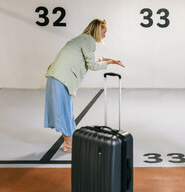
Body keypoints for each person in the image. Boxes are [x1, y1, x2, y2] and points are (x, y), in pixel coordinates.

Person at [44, 19, 125, 152]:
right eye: (104, 32)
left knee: (64, 111)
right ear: (98, 31)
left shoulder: (81, 39)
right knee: (64, 112)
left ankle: (68, 142)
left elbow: (87, 60)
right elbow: (92, 65)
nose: (105, 35)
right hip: (62, 78)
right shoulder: (89, 41)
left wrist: (106, 60)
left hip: (56, 76)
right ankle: (69, 144)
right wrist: (110, 62)